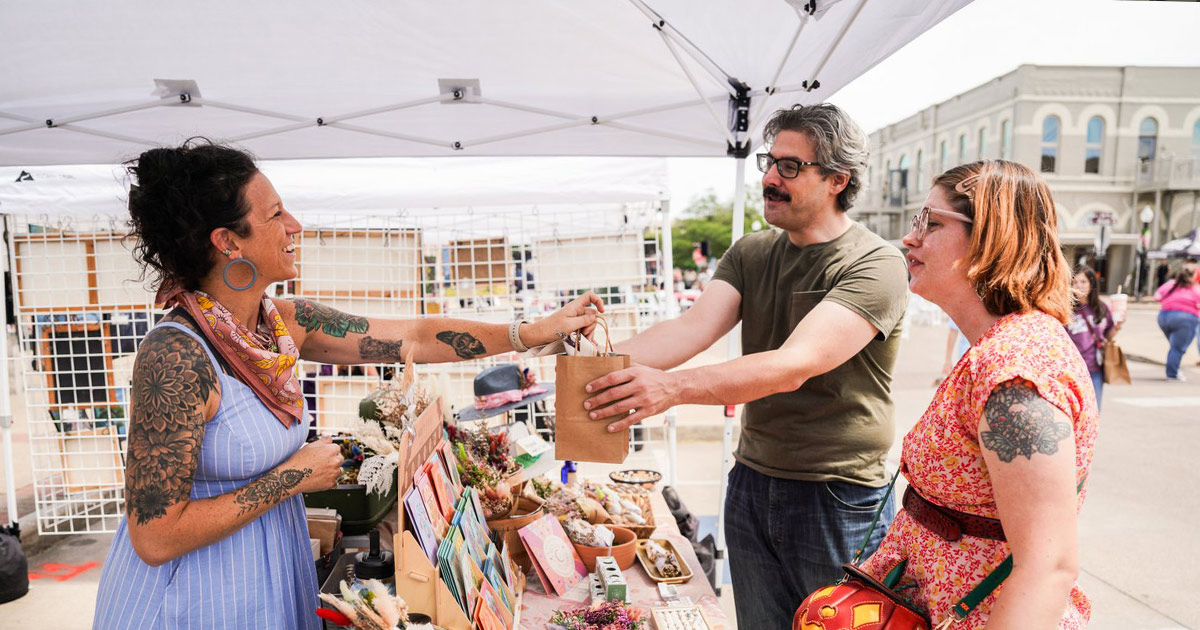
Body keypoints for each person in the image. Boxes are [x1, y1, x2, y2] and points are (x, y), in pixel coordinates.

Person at [92, 139, 603, 630]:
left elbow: (414, 337)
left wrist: (529, 333)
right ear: (228, 242)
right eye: (274, 215)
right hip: (194, 600)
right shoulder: (176, 357)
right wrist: (293, 476)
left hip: (269, 576)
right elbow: (155, 537)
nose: (294, 225)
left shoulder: (284, 323)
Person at [582, 103, 909, 628]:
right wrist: (584, 360)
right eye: (769, 161)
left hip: (839, 494)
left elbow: (793, 365)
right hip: (753, 480)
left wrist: (671, 389)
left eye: (790, 166)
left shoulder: (875, 263)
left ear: (837, 180)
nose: (770, 178)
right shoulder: (752, 252)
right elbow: (689, 330)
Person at [857, 160, 1097, 628]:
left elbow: (1047, 565)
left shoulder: (1016, 371)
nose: (911, 238)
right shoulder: (995, 347)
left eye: (932, 222)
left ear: (992, 236)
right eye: (915, 221)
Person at [1065, 265, 1119, 409]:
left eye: (1083, 282)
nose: (1079, 286)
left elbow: (1108, 335)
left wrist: (1118, 326)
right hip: (1072, 369)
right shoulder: (1066, 309)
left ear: (1091, 284)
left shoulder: (1102, 308)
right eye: (1075, 282)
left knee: (1094, 410)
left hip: (1095, 368)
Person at [1153, 261, 1200, 381]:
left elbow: (1157, 297)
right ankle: (1172, 374)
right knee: (1177, 348)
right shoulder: (1195, 288)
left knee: (1175, 346)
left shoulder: (1171, 284)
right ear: (1194, 275)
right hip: (1186, 318)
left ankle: (1174, 370)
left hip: (1164, 317)